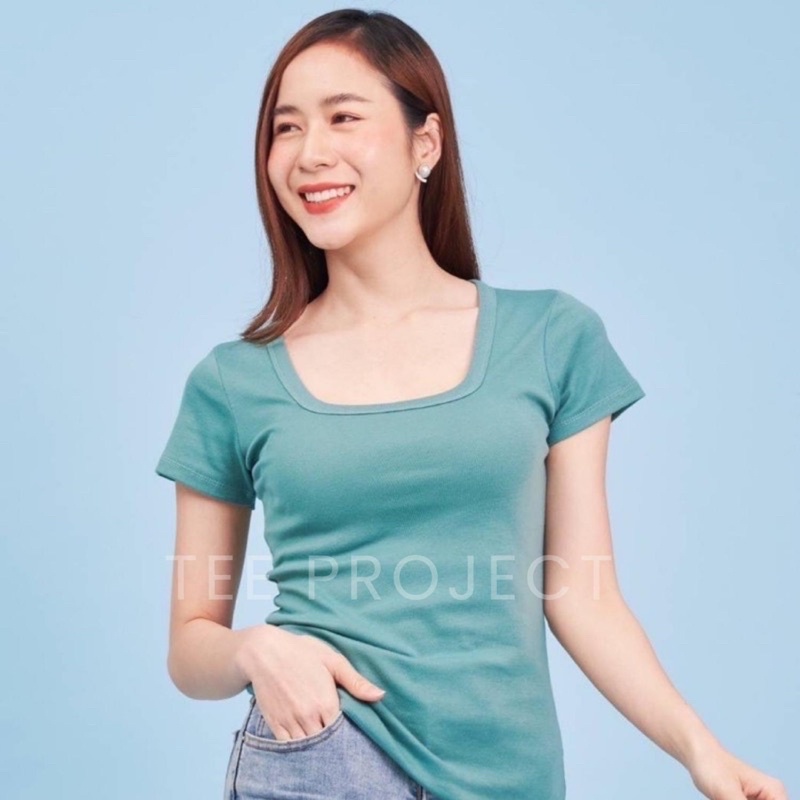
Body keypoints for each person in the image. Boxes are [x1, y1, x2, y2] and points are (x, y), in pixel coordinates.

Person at [154, 9, 788, 800]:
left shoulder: (550, 338)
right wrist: (257, 650)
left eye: (343, 117)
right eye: (286, 128)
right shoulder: (233, 383)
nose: (310, 153)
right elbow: (190, 647)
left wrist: (701, 751)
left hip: (510, 775)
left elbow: (582, 593)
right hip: (321, 756)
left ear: (426, 143)